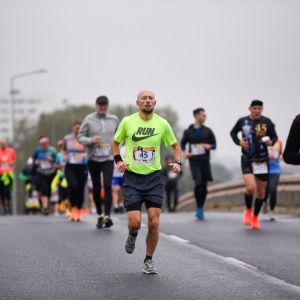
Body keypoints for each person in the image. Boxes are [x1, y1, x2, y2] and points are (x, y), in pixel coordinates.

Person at [111, 89, 182, 274]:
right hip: (133, 177)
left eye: (151, 98)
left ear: (155, 103)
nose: (148, 101)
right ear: (137, 102)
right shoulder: (127, 122)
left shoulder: (162, 123)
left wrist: (178, 162)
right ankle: (132, 234)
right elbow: (114, 143)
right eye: (144, 98)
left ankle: (148, 260)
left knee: (154, 223)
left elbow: (175, 146)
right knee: (135, 222)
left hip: (154, 178)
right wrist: (118, 161)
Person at [230, 100, 278, 229]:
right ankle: (248, 210)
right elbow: (233, 133)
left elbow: (274, 137)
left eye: (259, 108)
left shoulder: (266, 122)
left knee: (261, 192)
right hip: (247, 158)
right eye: (254, 108)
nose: (257, 110)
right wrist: (239, 142)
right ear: (250, 109)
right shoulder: (242, 121)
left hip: (262, 159)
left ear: (262, 109)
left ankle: (255, 217)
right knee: (251, 188)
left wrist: (271, 142)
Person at [78, 96, 119, 228]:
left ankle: (107, 216)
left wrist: (116, 145)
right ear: (96, 105)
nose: (102, 107)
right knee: (96, 187)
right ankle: (100, 215)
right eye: (100, 105)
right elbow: (80, 137)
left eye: (104, 105)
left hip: (108, 157)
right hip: (93, 158)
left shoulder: (114, 119)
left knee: (107, 185)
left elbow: (120, 135)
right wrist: (91, 140)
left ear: (108, 106)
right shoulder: (89, 119)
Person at [180, 108, 216, 219]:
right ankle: (198, 207)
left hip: (205, 161)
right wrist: (185, 152)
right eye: (202, 115)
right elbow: (182, 144)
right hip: (194, 161)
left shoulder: (208, 131)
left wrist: (209, 146)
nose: (204, 117)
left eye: (205, 115)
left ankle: (200, 207)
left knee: (204, 186)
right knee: (198, 181)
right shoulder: (188, 131)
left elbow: (214, 145)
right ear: (196, 116)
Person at [63, 120, 88, 222]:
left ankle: (78, 210)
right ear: (73, 128)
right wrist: (64, 156)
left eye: (80, 128)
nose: (78, 130)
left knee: (80, 189)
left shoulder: (85, 139)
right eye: (76, 128)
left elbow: (90, 150)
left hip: (82, 166)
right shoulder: (67, 138)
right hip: (70, 166)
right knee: (73, 186)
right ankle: (72, 209)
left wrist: (85, 155)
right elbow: (63, 148)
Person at [32, 135, 57, 216]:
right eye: (42, 144)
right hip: (41, 172)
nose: (44, 145)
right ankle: (45, 208)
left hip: (50, 172)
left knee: (48, 190)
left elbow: (57, 160)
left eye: (45, 144)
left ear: (48, 143)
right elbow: (33, 159)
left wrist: (51, 159)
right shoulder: (37, 151)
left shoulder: (52, 150)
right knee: (44, 189)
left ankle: (46, 204)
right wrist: (35, 162)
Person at [263, 127, 283, 221]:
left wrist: (280, 156)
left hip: (275, 169)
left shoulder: (278, 141)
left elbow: (281, 153)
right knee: (265, 191)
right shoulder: (262, 140)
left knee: (273, 189)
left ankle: (272, 211)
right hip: (263, 169)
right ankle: (264, 202)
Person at [0, 139, 16, 215]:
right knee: (2, 194)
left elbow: (14, 159)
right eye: (2, 144)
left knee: (7, 192)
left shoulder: (11, 151)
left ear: (6, 144)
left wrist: (10, 163)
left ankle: (9, 206)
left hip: (8, 173)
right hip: (0, 175)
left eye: (4, 144)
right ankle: (5, 208)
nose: (3, 145)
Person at [55, 140, 70, 217]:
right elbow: (56, 165)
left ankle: (68, 209)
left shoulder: (69, 154)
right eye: (61, 147)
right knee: (62, 194)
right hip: (61, 177)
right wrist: (61, 166)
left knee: (69, 193)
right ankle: (62, 203)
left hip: (68, 176)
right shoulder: (58, 155)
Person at [112, 143, 126, 213]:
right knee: (116, 189)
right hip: (115, 176)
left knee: (121, 190)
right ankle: (116, 206)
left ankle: (120, 204)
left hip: (123, 175)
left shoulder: (125, 150)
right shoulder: (112, 152)